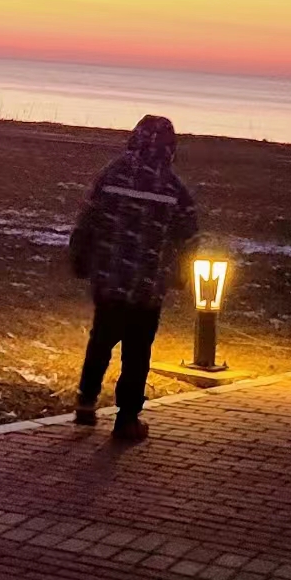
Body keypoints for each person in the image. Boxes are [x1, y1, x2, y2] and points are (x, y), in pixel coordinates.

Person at [68, 114, 198, 442]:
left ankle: (86, 399)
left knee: (101, 339)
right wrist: (180, 274)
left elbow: (88, 218)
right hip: (148, 284)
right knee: (137, 351)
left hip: (110, 278)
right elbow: (189, 234)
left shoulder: (111, 176)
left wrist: (81, 257)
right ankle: (126, 419)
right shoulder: (174, 188)